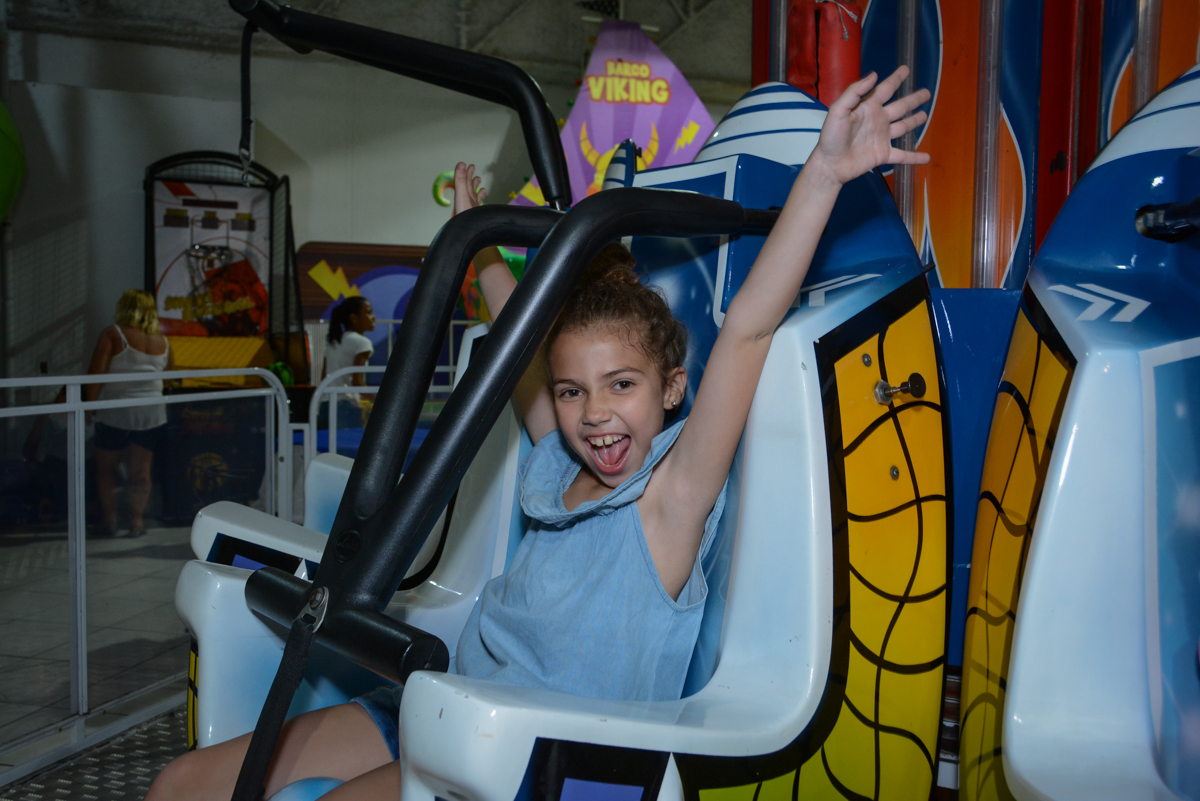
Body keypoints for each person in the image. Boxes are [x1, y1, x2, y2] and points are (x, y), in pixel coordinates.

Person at [144, 67, 930, 801]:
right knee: (184, 783)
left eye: (622, 385)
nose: (595, 413)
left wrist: (823, 175)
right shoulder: (556, 461)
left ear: (671, 388)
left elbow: (749, 329)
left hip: (522, 752)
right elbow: (517, 346)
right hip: (442, 702)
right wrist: (476, 236)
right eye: (573, 391)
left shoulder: (670, 499)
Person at [90, 290, 173, 539]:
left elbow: (95, 375)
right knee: (141, 470)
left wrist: (88, 407)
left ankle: (110, 520)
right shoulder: (163, 340)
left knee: (106, 469)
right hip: (151, 413)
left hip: (115, 412)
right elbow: (170, 374)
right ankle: (137, 521)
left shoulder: (113, 334)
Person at [322, 296, 377, 428]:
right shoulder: (362, 343)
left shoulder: (333, 341)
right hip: (344, 409)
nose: (373, 317)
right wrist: (382, 402)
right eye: (369, 313)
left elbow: (324, 378)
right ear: (354, 318)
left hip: (325, 406)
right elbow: (357, 384)